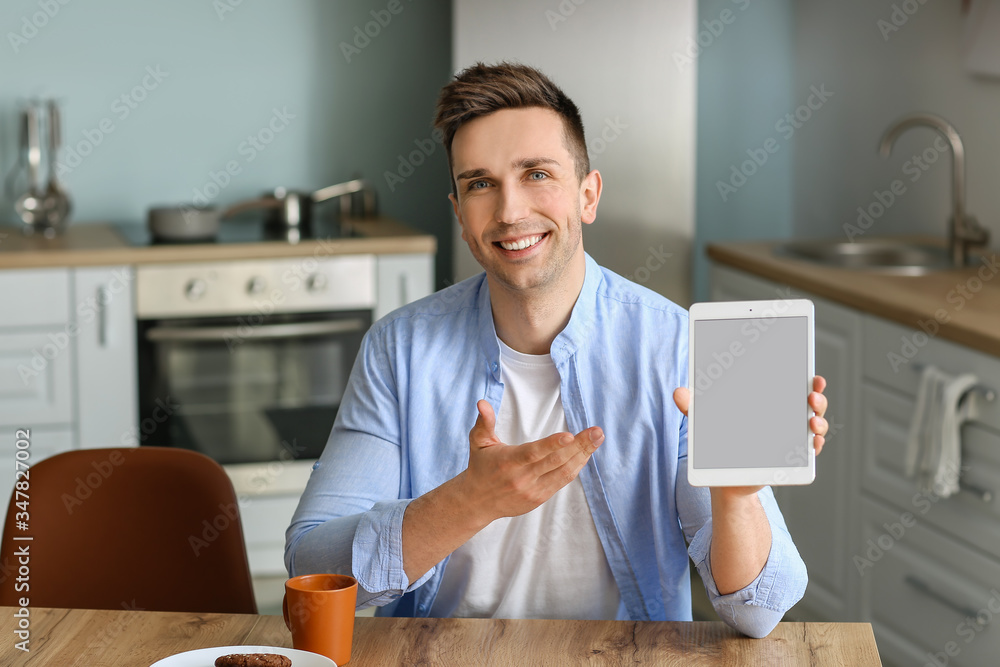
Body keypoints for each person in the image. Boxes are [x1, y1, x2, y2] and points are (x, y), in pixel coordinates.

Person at [285, 62, 829, 638]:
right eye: (479, 183)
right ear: (460, 217)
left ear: (587, 195)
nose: (510, 211)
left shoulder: (676, 346)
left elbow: (759, 613)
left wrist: (737, 493)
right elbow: (309, 566)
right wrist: (470, 501)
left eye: (536, 174)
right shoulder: (399, 349)